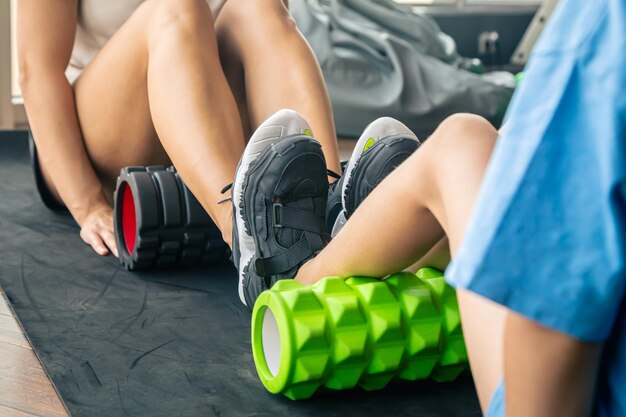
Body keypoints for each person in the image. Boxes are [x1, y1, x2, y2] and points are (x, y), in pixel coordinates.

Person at [233, 0, 626, 415]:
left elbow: (557, 294)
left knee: (461, 143)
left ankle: (301, 278)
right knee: (512, 144)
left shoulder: (603, 22)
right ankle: (379, 239)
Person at [17, 0, 342, 258]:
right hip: (102, 130)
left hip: (205, 111)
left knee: (261, 7)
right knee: (177, 6)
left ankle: (328, 204)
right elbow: (38, 71)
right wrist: (88, 206)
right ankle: (247, 239)